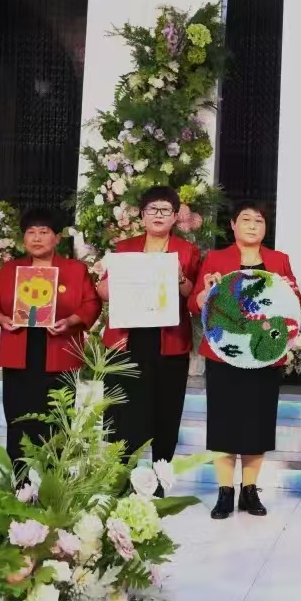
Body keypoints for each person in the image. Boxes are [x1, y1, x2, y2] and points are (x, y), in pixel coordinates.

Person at [188, 200, 300, 520]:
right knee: (224, 424)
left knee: (257, 424)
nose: (252, 225)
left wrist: (291, 291)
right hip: (225, 354)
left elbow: (294, 303)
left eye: (259, 220)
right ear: (233, 225)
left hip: (264, 353)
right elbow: (195, 304)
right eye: (246, 219)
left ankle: (250, 490)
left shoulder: (279, 260)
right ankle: (225, 492)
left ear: (265, 228)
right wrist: (206, 293)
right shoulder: (216, 258)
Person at [0, 207, 101, 479]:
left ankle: (53, 483)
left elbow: (91, 304)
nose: (36, 238)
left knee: (58, 420)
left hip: (60, 353)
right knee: (18, 419)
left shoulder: (75, 270)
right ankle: (20, 481)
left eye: (44, 232)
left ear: (56, 238)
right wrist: (1, 318)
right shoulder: (11, 270)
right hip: (19, 354)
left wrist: (70, 321)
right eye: (31, 232)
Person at [98, 186, 201, 476]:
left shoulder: (187, 251)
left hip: (168, 341)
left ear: (175, 217)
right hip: (127, 340)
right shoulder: (124, 249)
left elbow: (194, 299)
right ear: (142, 216)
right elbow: (104, 293)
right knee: (124, 411)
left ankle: (159, 477)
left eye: (165, 210)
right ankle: (119, 477)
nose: (158, 215)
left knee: (165, 412)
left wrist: (180, 279)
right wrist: (106, 282)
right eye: (152, 209)